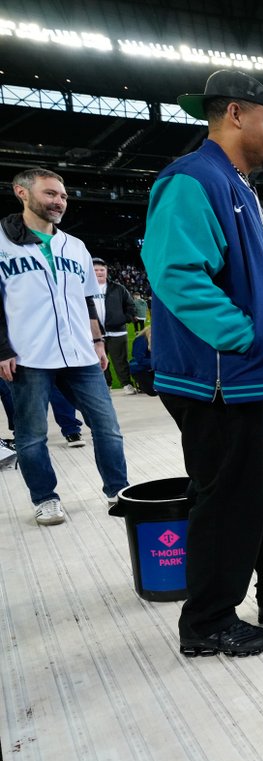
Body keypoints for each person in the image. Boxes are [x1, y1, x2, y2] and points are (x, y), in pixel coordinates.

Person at [142, 70, 263, 658]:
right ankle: (206, 621)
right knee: (229, 498)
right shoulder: (193, 178)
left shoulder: (238, 185)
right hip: (221, 377)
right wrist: (246, 339)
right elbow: (176, 273)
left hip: (255, 375)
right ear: (234, 114)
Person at [0, 167, 129, 525]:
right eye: (50, 194)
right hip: (28, 355)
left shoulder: (75, 246)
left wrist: (98, 342)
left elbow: (87, 300)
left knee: (107, 427)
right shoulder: (2, 242)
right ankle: (45, 498)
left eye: (63, 196)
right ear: (22, 193)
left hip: (80, 354)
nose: (59, 201)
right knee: (31, 435)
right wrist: (2, 350)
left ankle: (118, 490)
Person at [93, 257, 138, 395]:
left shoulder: (118, 288)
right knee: (99, 360)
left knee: (121, 361)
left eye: (102, 270)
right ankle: (105, 385)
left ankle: (126, 384)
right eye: (95, 270)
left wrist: (123, 319)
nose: (99, 272)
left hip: (117, 332)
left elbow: (131, 306)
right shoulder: (85, 288)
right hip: (95, 333)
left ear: (106, 271)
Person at [129, 325, 156, 396]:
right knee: (153, 392)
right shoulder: (141, 340)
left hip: (152, 367)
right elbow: (140, 359)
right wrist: (157, 363)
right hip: (140, 369)